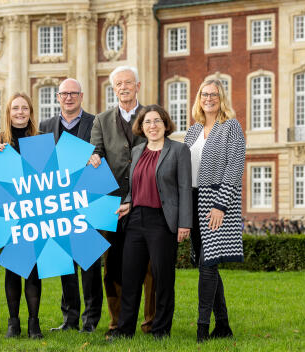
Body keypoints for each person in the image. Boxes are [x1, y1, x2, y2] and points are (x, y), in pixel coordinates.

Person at [112, 105, 192, 339]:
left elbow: (184, 187)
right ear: (141, 127)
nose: (153, 126)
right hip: (136, 220)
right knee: (131, 277)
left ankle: (161, 329)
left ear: (166, 124)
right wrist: (128, 201)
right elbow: (134, 184)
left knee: (163, 277)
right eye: (147, 122)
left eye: (157, 121)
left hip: (162, 221)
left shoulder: (179, 150)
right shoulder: (137, 151)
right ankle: (125, 329)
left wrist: (184, 223)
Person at [88, 66, 155, 335]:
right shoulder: (102, 120)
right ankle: (116, 321)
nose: (124, 87)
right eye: (118, 84)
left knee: (149, 266)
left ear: (137, 86)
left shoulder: (151, 115)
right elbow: (95, 150)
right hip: (110, 203)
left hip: (145, 200)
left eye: (128, 83)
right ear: (113, 88)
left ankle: (150, 322)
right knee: (112, 265)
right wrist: (92, 157)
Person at [39, 78, 103, 333]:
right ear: (57, 97)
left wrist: (98, 156)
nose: (68, 98)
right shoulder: (45, 126)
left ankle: (91, 320)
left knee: (89, 266)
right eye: (64, 94)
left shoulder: (95, 123)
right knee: (64, 265)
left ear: (81, 96)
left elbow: (103, 151)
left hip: (87, 202)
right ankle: (70, 319)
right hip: (57, 205)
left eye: (73, 93)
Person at [184, 79, 245, 342]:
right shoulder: (193, 131)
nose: (209, 99)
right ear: (199, 98)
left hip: (217, 202)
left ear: (222, 98)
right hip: (193, 200)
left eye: (214, 95)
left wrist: (221, 204)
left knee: (208, 265)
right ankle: (223, 325)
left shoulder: (231, 127)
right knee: (206, 263)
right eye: (204, 94)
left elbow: (235, 167)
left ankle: (201, 330)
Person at [0, 92, 42, 339]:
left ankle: (33, 323)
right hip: (8, 213)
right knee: (11, 269)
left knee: (32, 270)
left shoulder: (40, 140)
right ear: (8, 113)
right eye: (15, 108)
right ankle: (13, 322)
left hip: (35, 213)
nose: (20, 112)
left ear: (30, 112)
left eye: (24, 108)